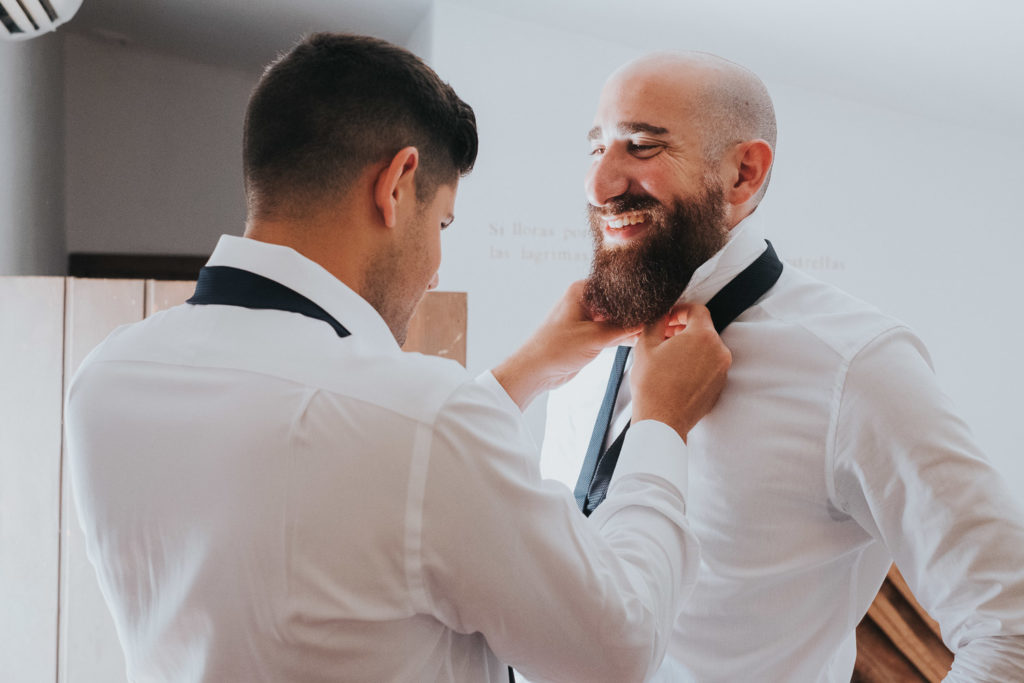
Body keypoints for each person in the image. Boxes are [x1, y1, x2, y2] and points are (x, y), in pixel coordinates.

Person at [64, 34, 733, 683]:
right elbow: (618, 648)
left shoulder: (107, 376)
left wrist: (523, 372)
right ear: (396, 183)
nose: (437, 269)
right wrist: (661, 424)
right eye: (441, 223)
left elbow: (354, 476)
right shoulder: (420, 421)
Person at [542, 50, 1024, 681]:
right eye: (596, 147)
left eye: (641, 146)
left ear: (744, 173)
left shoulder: (858, 365)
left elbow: (1008, 628)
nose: (598, 185)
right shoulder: (577, 350)